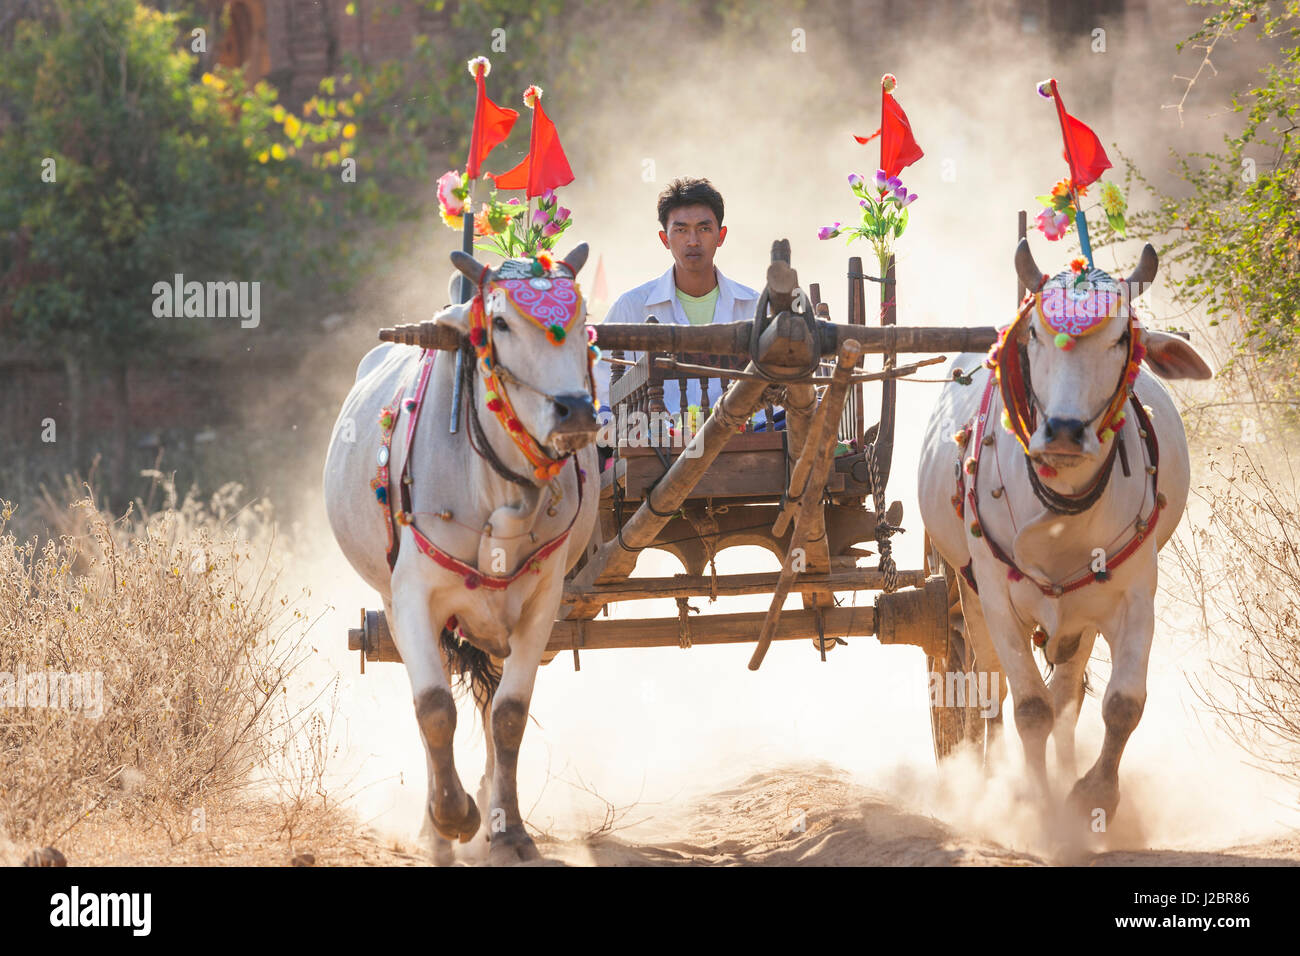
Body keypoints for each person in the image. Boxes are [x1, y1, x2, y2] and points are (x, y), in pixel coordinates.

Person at [594, 177, 760, 427]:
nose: (693, 241)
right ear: (665, 239)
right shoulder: (631, 307)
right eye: (681, 230)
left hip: (749, 448)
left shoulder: (755, 307)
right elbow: (601, 388)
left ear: (721, 235)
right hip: (654, 453)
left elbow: (778, 396)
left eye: (704, 229)